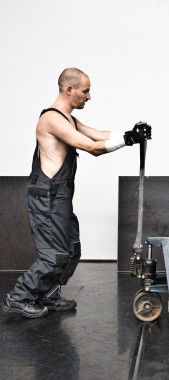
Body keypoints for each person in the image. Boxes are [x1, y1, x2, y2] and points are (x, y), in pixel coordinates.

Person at [3, 68, 151, 318]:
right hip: (47, 197)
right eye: (86, 91)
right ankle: (18, 298)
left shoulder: (68, 119)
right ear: (69, 89)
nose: (89, 96)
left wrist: (132, 135)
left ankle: (48, 294)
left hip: (59, 197)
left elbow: (97, 135)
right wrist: (126, 139)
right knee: (54, 255)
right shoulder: (51, 120)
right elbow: (92, 147)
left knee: (71, 249)